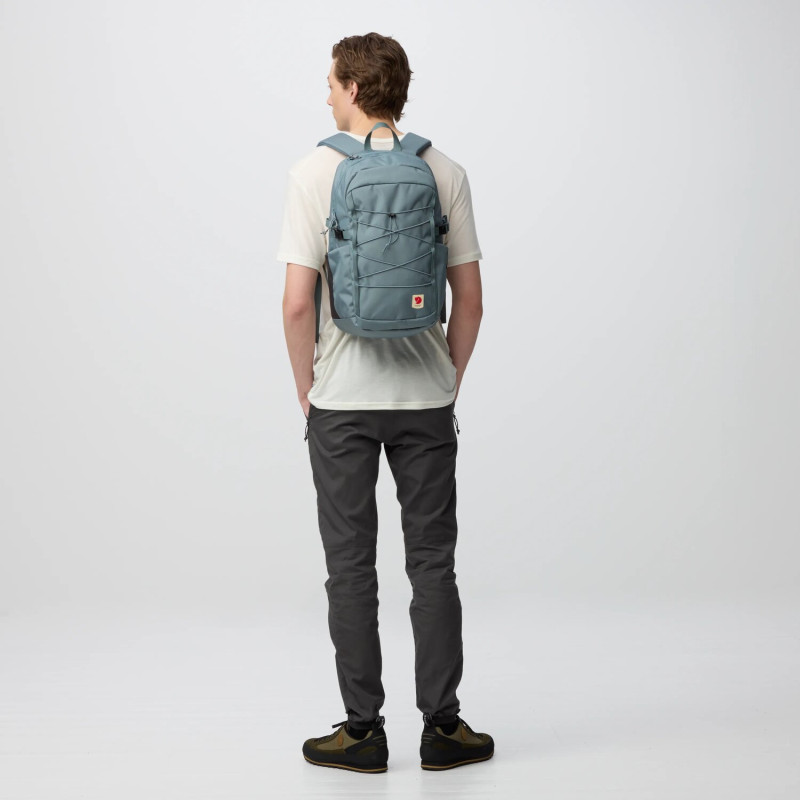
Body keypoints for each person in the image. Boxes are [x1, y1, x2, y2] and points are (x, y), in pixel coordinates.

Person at [277, 32, 493, 773]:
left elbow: (297, 304)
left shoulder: (313, 173)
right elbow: (470, 301)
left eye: (330, 83)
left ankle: (363, 732)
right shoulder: (445, 171)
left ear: (352, 87)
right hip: (424, 401)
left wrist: (307, 389)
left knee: (351, 568)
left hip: (340, 402)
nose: (325, 95)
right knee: (432, 564)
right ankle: (444, 729)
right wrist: (446, 379)